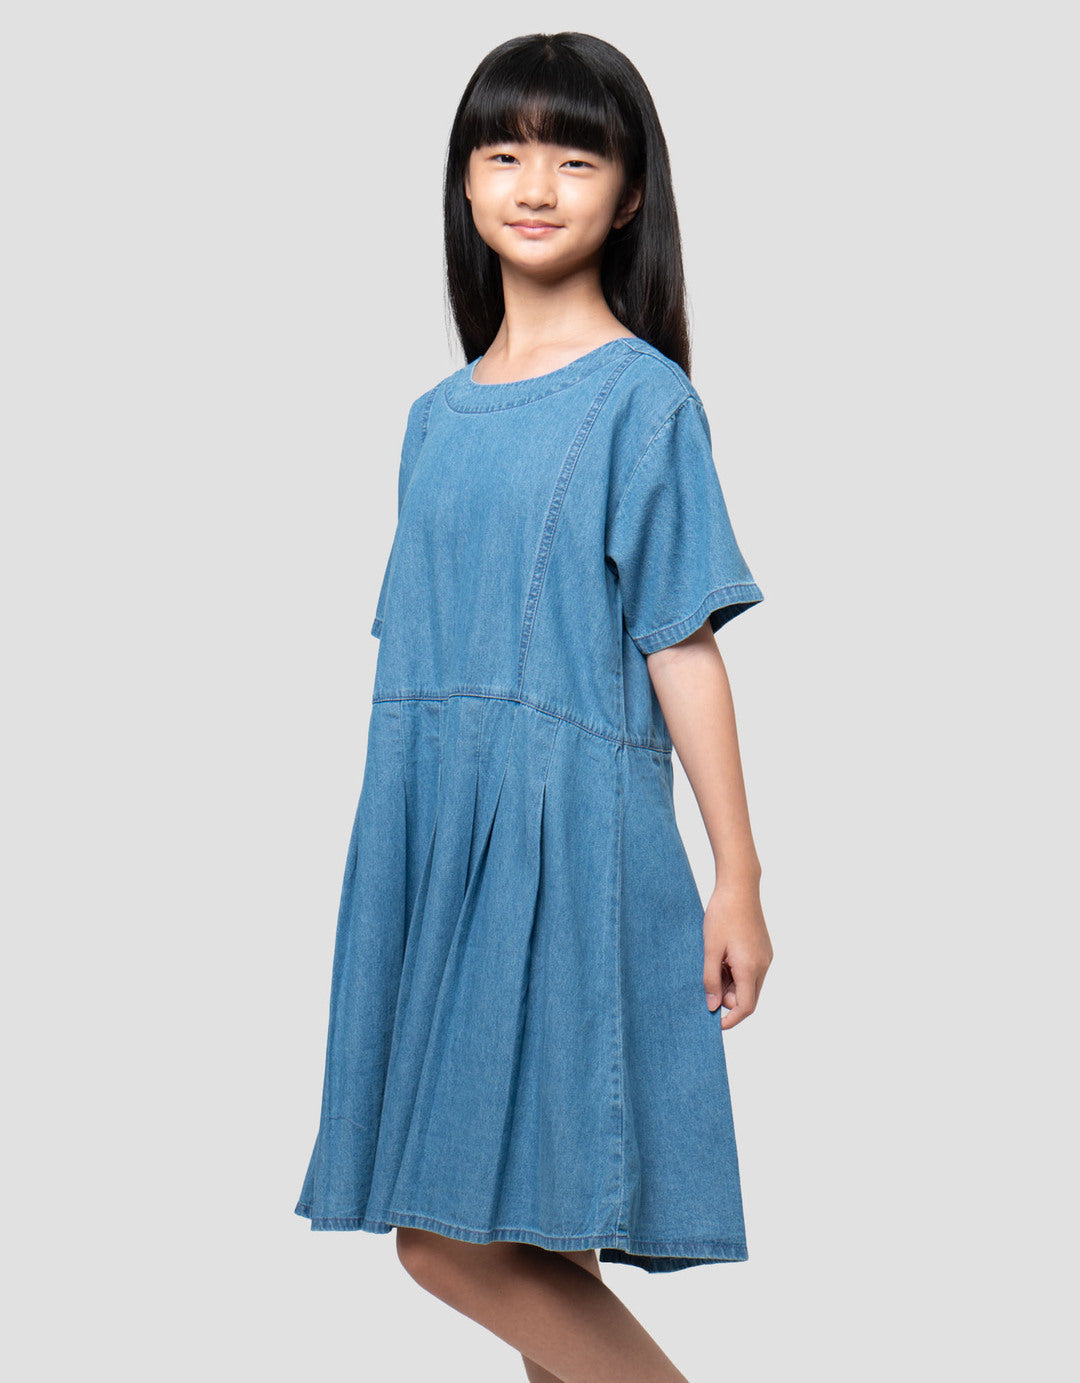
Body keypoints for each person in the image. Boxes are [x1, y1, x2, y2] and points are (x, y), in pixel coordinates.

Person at [294, 30, 774, 1383]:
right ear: (463, 182)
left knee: (445, 1242)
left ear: (630, 195)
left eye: (576, 157)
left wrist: (738, 875)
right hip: (438, 844)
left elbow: (681, 644)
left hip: (573, 847)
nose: (535, 185)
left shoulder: (642, 402)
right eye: (503, 152)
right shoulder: (432, 419)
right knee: (534, 1242)